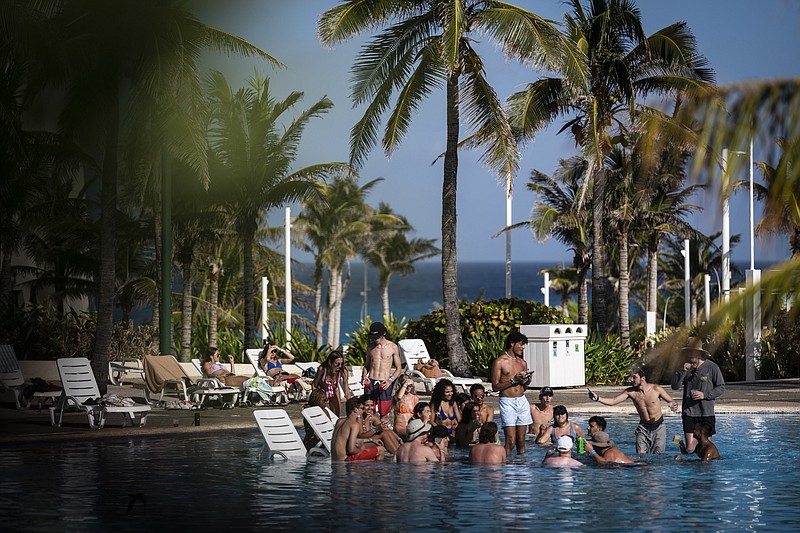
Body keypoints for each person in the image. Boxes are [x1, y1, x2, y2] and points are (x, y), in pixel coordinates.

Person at [588, 366, 679, 453]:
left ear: (643, 378)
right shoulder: (630, 392)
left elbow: (671, 401)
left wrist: (674, 405)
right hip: (643, 427)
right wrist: (598, 398)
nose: (631, 380)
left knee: (658, 455)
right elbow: (613, 401)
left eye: (634, 377)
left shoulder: (656, 389)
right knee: (640, 455)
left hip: (658, 427)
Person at [670, 337, 726, 453]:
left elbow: (721, 387)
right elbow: (674, 386)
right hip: (689, 412)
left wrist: (704, 395)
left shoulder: (712, 367)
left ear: (698, 354)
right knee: (690, 448)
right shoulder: (684, 368)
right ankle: (688, 463)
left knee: (705, 446)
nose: (689, 358)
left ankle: (704, 469)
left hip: (706, 413)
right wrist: (682, 371)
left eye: (691, 355)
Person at [490, 331, 533, 455]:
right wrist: (514, 380)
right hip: (507, 402)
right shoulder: (499, 362)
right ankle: (503, 465)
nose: (523, 347)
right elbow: (495, 387)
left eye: (524, 344)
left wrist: (527, 381)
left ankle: (522, 469)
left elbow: (523, 387)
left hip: (522, 400)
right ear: (512, 343)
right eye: (521, 344)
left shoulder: (522, 363)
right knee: (510, 441)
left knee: (521, 442)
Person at [361, 322, 402, 418]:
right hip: (371, 382)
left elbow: (399, 368)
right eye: (373, 338)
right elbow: (366, 366)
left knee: (384, 413)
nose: (375, 340)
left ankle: (383, 431)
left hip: (384, 383)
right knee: (368, 412)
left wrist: (390, 381)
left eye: (377, 337)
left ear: (384, 334)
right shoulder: (370, 348)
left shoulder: (392, 347)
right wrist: (364, 376)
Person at [331, 396, 385, 462]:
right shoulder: (354, 425)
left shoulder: (339, 421)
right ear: (355, 410)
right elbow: (351, 450)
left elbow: (346, 440)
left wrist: (371, 440)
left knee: (373, 446)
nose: (363, 410)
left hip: (335, 461)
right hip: (346, 461)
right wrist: (361, 449)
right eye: (362, 408)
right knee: (380, 450)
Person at [313, 350, 351, 417]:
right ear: (331, 362)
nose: (340, 366)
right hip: (322, 391)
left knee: (336, 414)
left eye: (341, 364)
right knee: (321, 414)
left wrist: (351, 403)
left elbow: (346, 390)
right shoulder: (322, 369)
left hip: (334, 390)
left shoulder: (343, 371)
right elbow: (314, 384)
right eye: (337, 364)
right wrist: (315, 397)